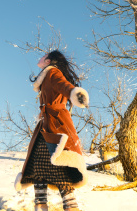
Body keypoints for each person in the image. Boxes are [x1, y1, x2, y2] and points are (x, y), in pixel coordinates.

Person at [15, 50, 89, 211]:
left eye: (43, 56)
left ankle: (70, 206)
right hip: (47, 124)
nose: (39, 58)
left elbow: (64, 85)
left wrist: (74, 93)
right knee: (39, 166)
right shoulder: (46, 76)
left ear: (49, 61)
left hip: (55, 123)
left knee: (59, 164)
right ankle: (41, 205)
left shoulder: (53, 72)